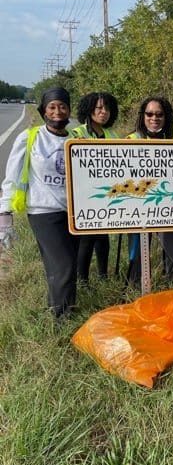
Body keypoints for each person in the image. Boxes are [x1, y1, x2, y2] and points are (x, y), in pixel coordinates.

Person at [0, 87, 78, 320]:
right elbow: (12, 175)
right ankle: (62, 318)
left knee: (63, 264)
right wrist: (4, 210)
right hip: (43, 210)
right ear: (44, 110)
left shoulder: (75, 140)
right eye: (52, 107)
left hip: (73, 212)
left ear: (69, 110)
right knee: (63, 263)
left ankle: (58, 306)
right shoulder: (31, 137)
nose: (57, 111)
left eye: (62, 106)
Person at [126, 96, 173, 283]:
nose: (154, 118)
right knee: (136, 256)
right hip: (137, 207)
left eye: (159, 114)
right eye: (149, 114)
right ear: (143, 116)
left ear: (166, 117)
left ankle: (172, 287)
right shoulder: (130, 140)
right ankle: (136, 291)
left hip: (165, 207)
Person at [71, 92, 119, 282]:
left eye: (107, 108)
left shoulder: (113, 135)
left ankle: (102, 276)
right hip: (84, 196)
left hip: (106, 195)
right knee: (86, 239)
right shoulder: (77, 134)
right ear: (89, 109)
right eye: (99, 108)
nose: (103, 112)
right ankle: (82, 280)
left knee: (103, 237)